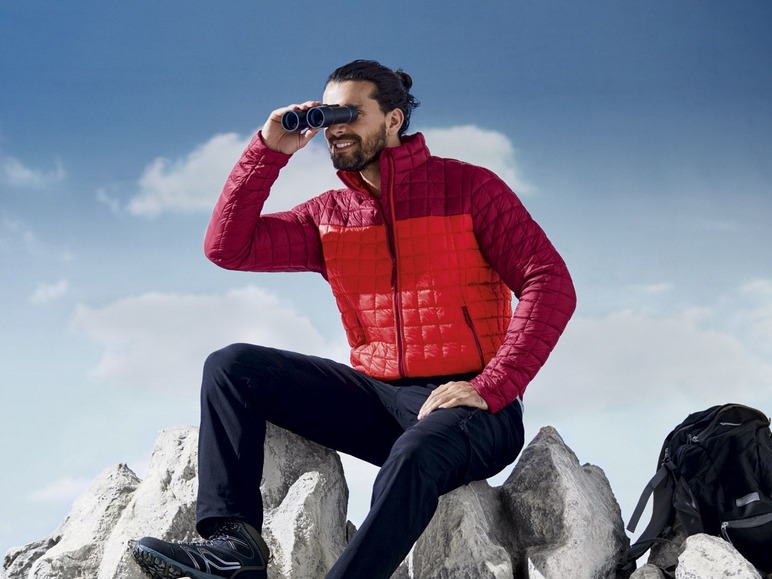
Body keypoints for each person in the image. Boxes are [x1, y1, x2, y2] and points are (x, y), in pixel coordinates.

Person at [132, 59, 576, 579]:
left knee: (417, 452)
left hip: (475, 410)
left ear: (392, 119)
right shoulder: (329, 215)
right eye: (327, 114)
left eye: (350, 112)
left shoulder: (470, 188)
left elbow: (549, 281)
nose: (335, 126)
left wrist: (493, 384)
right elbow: (228, 247)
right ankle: (235, 546)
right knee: (231, 367)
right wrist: (267, 151)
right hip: (380, 399)